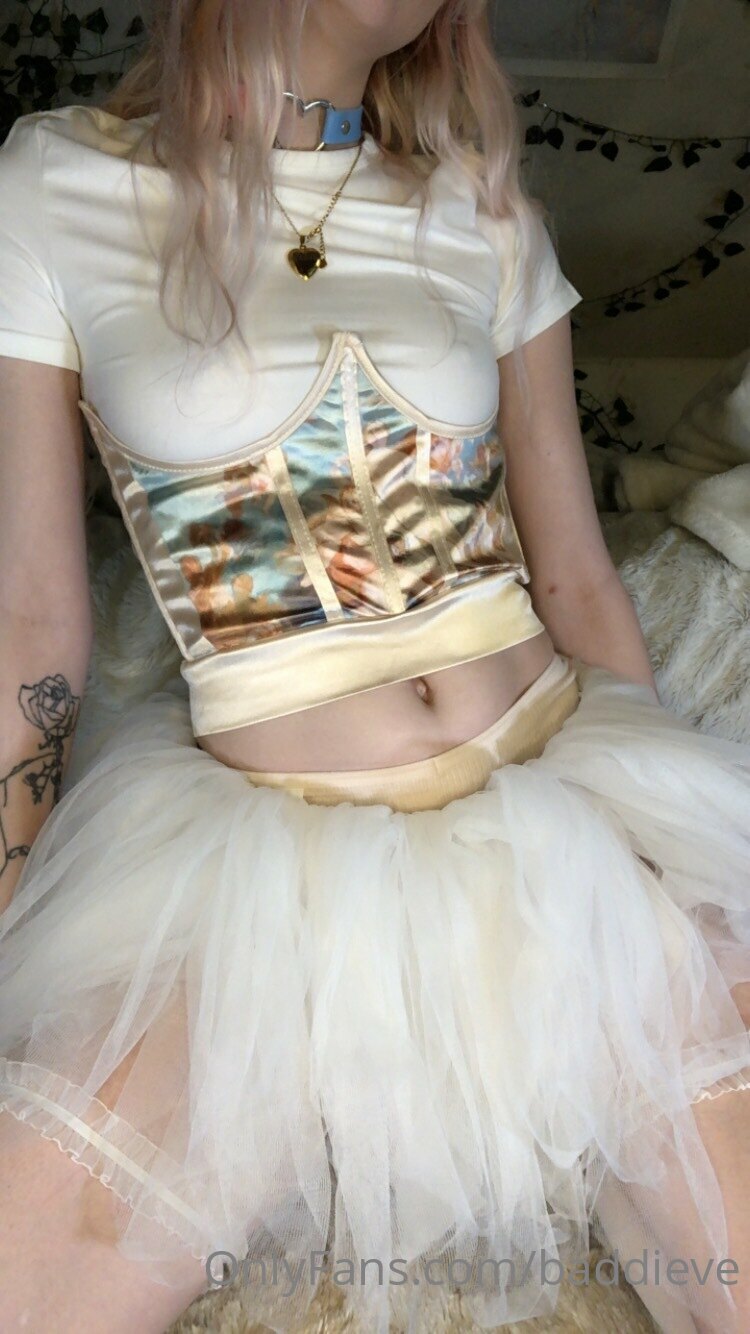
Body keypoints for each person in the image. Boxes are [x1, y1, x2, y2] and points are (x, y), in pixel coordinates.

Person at [0, 1, 748, 1331]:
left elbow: (576, 577)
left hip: (557, 801)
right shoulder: (53, 181)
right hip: (257, 875)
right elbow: (33, 620)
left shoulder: (482, 207)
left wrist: (659, 842)